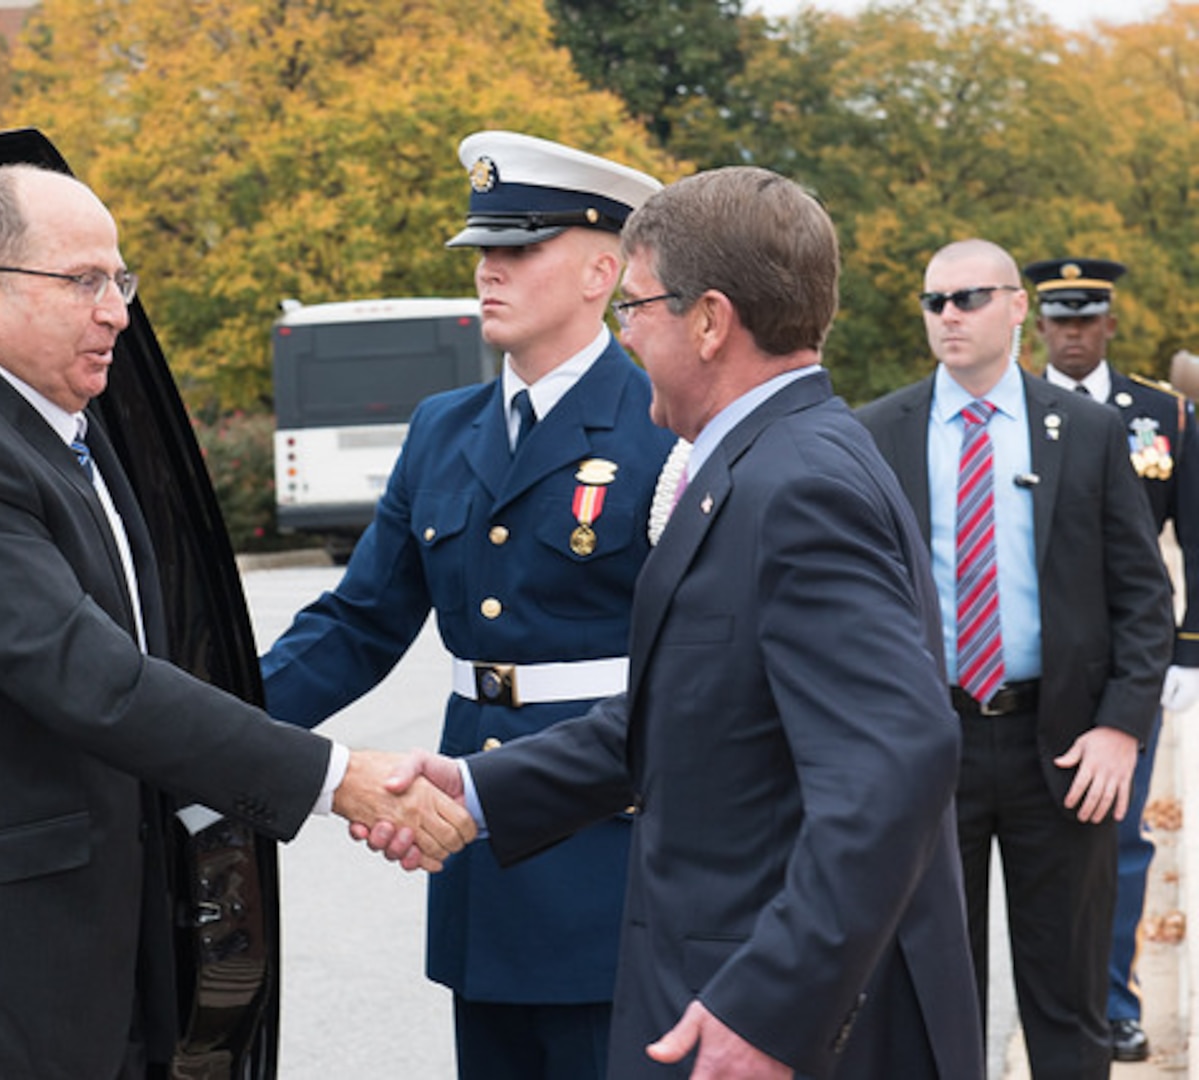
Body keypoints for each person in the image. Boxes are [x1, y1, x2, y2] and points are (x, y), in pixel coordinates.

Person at [0, 163, 474, 1080]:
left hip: (71, 972)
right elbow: (92, 678)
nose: (116, 310)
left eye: (120, 281)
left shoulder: (63, 432)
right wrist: (336, 778)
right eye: (83, 281)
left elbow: (141, 662)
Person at [371, 166, 985, 1078]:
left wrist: (775, 1006)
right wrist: (478, 789)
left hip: (776, 1021)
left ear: (708, 321)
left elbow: (894, 762)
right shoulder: (761, 462)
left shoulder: (796, 485)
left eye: (635, 307)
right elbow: (689, 708)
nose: (625, 334)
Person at [261, 130, 674, 1080]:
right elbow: (360, 621)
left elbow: (691, 665)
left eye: (519, 248)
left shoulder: (659, 427)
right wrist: (214, 722)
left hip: (606, 846)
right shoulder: (443, 428)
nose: (488, 270)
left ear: (600, 271)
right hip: (476, 863)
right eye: (482, 250)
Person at [856, 239, 1172, 1078]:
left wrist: (1119, 730)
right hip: (928, 749)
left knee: (1067, 997)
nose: (948, 317)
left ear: (1014, 307)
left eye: (966, 298)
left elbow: (1142, 598)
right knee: (928, 990)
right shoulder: (874, 433)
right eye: (934, 303)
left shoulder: (1089, 432)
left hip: (1061, 750)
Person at [1025, 254, 1199, 1063]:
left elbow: (1190, 537)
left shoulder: (1160, 414)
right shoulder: (1012, 410)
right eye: (1058, 321)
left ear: (1109, 325)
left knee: (1119, 845)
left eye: (1085, 320)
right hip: (1031, 667)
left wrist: (1186, 648)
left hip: (1125, 665)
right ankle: (1050, 1005)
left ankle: (1113, 1000)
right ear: (1040, 326)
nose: (1071, 335)